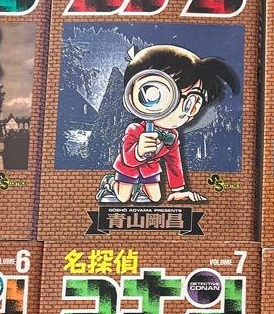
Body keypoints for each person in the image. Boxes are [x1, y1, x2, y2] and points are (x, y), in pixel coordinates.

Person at [101, 44, 239, 205]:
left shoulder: (172, 135)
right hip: (128, 168)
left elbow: (174, 162)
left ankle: (140, 188)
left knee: (155, 198)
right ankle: (110, 182)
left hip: (150, 169)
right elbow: (128, 159)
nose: (184, 111)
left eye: (193, 102)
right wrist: (138, 151)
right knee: (123, 197)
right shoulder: (135, 129)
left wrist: (178, 190)